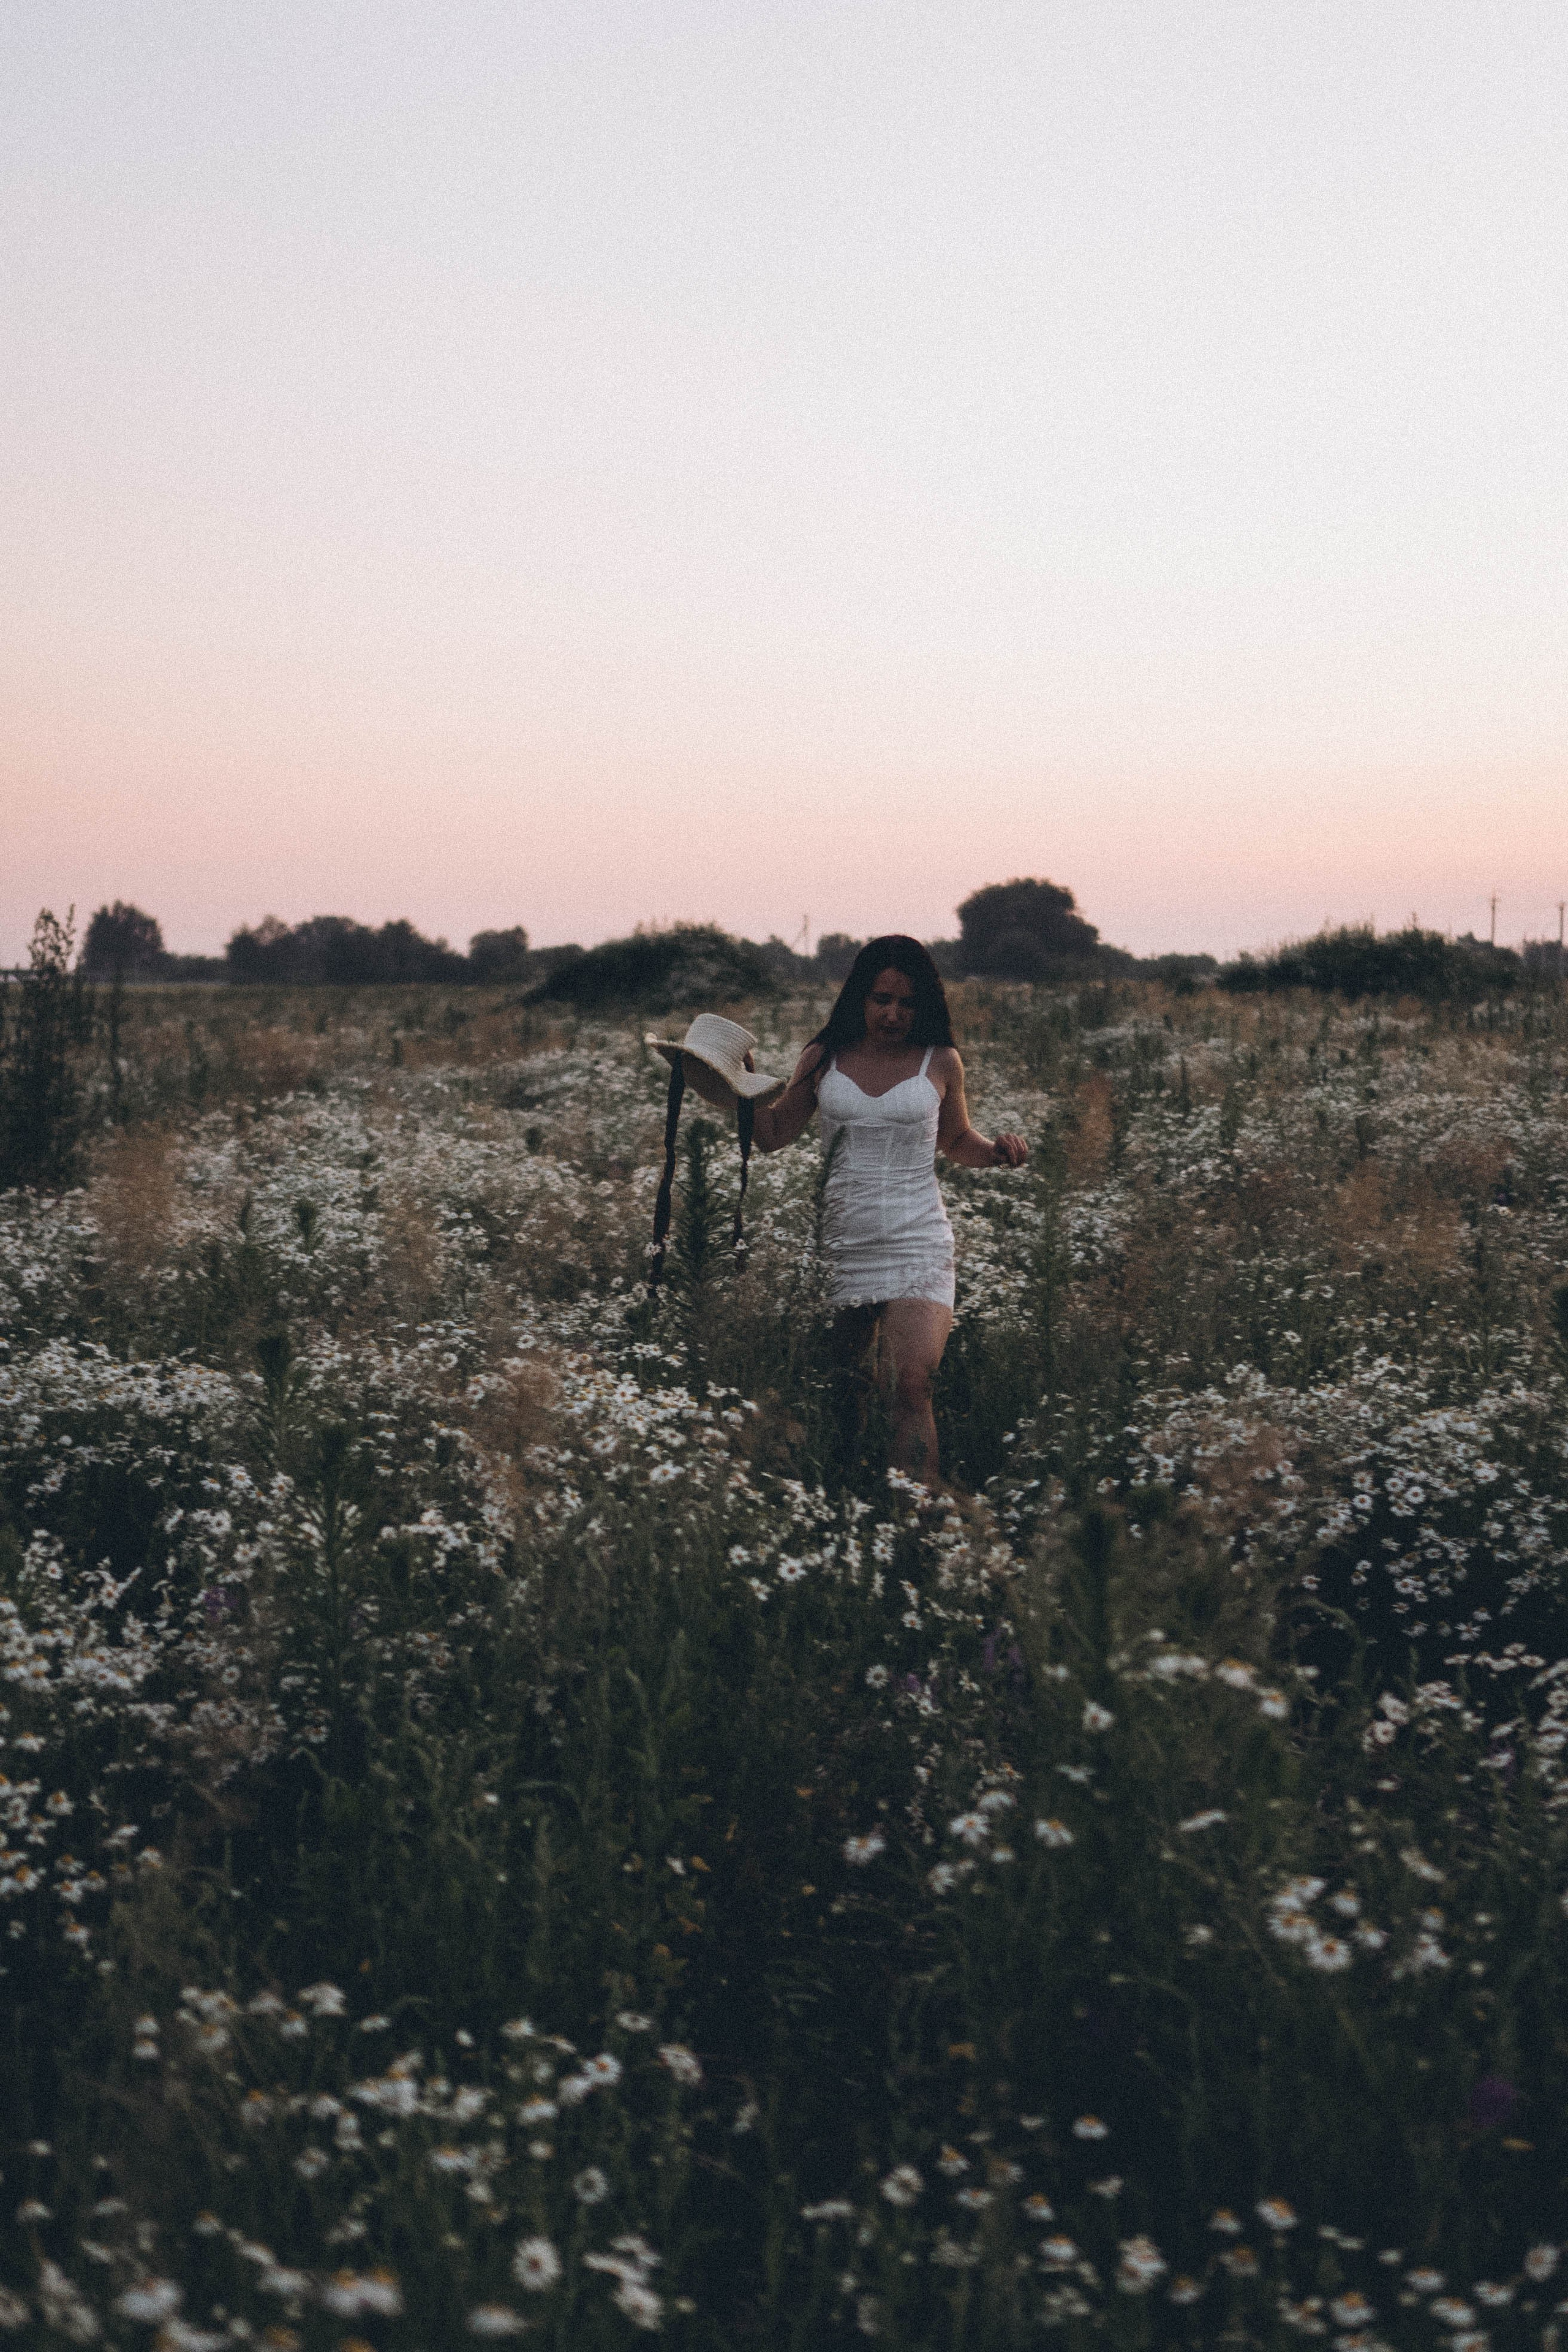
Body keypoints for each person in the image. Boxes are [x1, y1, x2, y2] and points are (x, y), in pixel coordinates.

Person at [750, 936, 1027, 1483]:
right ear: (860, 998)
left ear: (924, 1007)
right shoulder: (823, 1057)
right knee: (843, 1389)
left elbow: (955, 1142)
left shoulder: (941, 1061)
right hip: (841, 1245)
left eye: (907, 1003)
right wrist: (737, 1089)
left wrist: (995, 1152)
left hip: (917, 1241)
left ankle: (915, 1528)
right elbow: (774, 1134)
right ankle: (844, 1501)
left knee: (911, 1383)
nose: (893, 1014)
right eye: (881, 999)